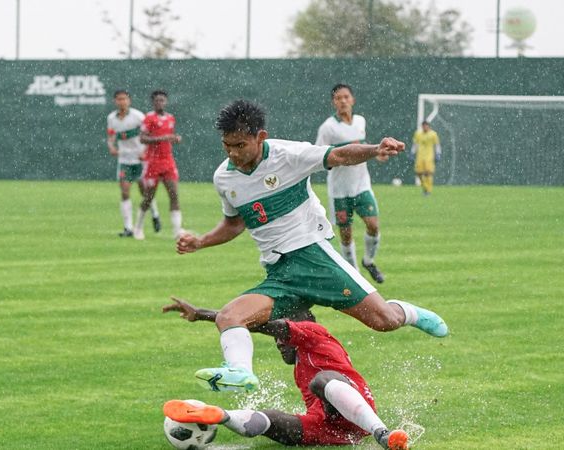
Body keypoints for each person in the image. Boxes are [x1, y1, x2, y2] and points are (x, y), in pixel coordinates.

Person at [176, 99, 448, 393]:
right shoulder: (224, 177)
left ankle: (414, 313)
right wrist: (200, 241)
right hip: (279, 274)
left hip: (314, 257)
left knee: (384, 321)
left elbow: (340, 155)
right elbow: (234, 223)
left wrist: (374, 150)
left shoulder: (288, 155)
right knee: (231, 317)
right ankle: (240, 373)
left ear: (260, 137)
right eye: (226, 145)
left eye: (240, 145)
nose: (232, 153)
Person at [162, 298, 413, 450]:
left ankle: (384, 434)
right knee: (272, 420)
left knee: (322, 381)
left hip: (356, 409)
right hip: (329, 428)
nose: (280, 344)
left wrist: (206, 315)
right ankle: (222, 416)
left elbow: (269, 327)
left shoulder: (314, 332)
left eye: (284, 339)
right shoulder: (300, 363)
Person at [315, 83, 385, 283]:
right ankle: (355, 274)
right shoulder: (328, 127)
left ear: (352, 100)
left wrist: (376, 154)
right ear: (333, 102)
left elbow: (363, 149)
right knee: (346, 235)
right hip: (339, 190)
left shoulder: (360, 121)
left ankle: (369, 261)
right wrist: (343, 152)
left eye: (346, 97)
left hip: (362, 185)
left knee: (373, 225)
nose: (343, 101)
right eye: (339, 98)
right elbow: (319, 154)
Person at [105, 89, 160, 237]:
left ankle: (155, 213)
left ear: (129, 100)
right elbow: (110, 135)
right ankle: (128, 227)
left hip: (140, 159)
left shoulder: (138, 116)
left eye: (124, 99)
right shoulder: (112, 118)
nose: (122, 102)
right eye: (119, 99)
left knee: (145, 191)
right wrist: (111, 147)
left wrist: (145, 152)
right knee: (124, 191)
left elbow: (149, 134)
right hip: (124, 160)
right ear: (115, 101)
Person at [134, 90, 183, 240]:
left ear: (166, 101)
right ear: (153, 102)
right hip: (153, 162)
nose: (159, 103)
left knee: (174, 195)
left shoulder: (170, 118)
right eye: (157, 100)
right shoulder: (149, 118)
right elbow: (142, 138)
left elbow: (169, 137)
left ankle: (177, 231)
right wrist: (163, 138)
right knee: (148, 197)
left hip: (168, 161)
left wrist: (175, 138)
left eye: (162, 100)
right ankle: (138, 227)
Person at [411, 121, 441, 196]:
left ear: (429, 126)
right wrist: (412, 153)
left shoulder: (433, 134)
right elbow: (415, 144)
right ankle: (425, 187)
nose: (424, 127)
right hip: (420, 156)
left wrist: (438, 154)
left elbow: (437, 145)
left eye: (426, 126)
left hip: (429, 157)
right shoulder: (418, 134)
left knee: (428, 173)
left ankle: (428, 190)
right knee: (419, 173)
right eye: (423, 126)